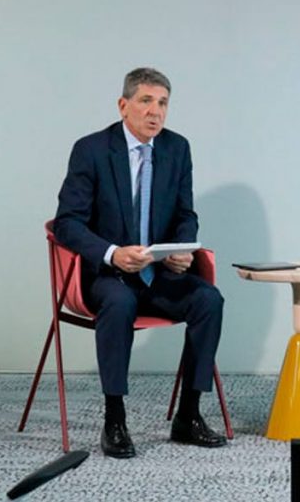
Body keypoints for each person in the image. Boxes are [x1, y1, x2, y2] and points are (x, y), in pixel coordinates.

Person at [54, 68, 226, 458]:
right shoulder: (92, 150)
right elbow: (67, 222)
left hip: (158, 274)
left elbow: (186, 212)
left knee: (208, 300)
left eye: (163, 103)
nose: (156, 112)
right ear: (123, 105)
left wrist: (183, 247)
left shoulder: (177, 148)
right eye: (146, 101)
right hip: (107, 277)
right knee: (120, 302)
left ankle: (189, 414)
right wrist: (114, 253)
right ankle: (114, 420)